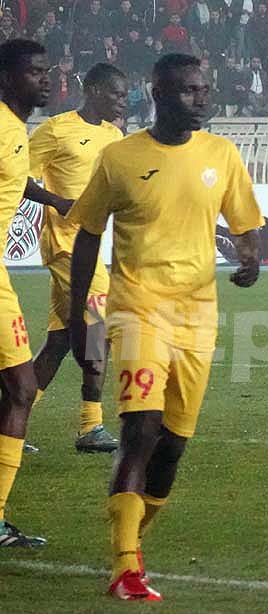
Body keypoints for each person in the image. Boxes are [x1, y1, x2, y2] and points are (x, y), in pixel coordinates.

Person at [66, 53, 264, 601]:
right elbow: (87, 232)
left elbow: (246, 224)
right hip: (138, 307)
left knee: (172, 447)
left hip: (198, 315)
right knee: (141, 431)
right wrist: (79, 311)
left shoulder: (221, 154)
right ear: (158, 93)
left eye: (204, 89)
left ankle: (130, 538)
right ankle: (125, 566)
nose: (201, 99)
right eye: (188, 91)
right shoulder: (119, 157)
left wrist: (250, 257)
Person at [27, 63, 127, 455]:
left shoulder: (114, 135)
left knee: (60, 341)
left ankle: (8, 422)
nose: (122, 102)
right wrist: (56, 201)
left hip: (90, 246)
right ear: (95, 90)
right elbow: (17, 175)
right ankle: (91, 425)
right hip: (64, 245)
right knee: (101, 327)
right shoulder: (56, 130)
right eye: (116, 94)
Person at [0, 40, 54, 549]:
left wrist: (57, 199)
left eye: (46, 70)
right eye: (34, 71)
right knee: (20, 389)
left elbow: (16, 184)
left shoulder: (16, 131)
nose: (45, 78)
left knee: (20, 389)